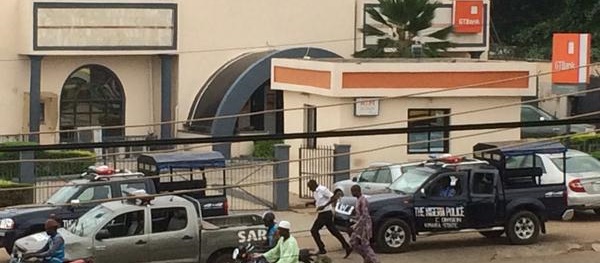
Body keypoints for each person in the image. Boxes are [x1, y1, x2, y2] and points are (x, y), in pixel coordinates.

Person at [307, 179, 352, 257]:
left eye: (310, 187)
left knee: (314, 230)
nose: (310, 189)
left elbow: (333, 197)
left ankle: (322, 249)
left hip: (326, 213)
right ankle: (347, 246)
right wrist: (310, 203)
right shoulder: (315, 192)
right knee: (333, 231)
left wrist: (324, 206)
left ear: (314, 185)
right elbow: (319, 201)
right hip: (322, 213)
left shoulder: (323, 189)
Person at [350, 185, 380, 263]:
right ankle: (367, 257)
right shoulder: (358, 200)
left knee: (365, 244)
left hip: (365, 225)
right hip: (359, 225)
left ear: (358, 191)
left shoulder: (363, 200)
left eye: (353, 191)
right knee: (353, 242)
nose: (352, 193)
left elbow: (365, 215)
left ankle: (374, 260)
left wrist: (356, 225)